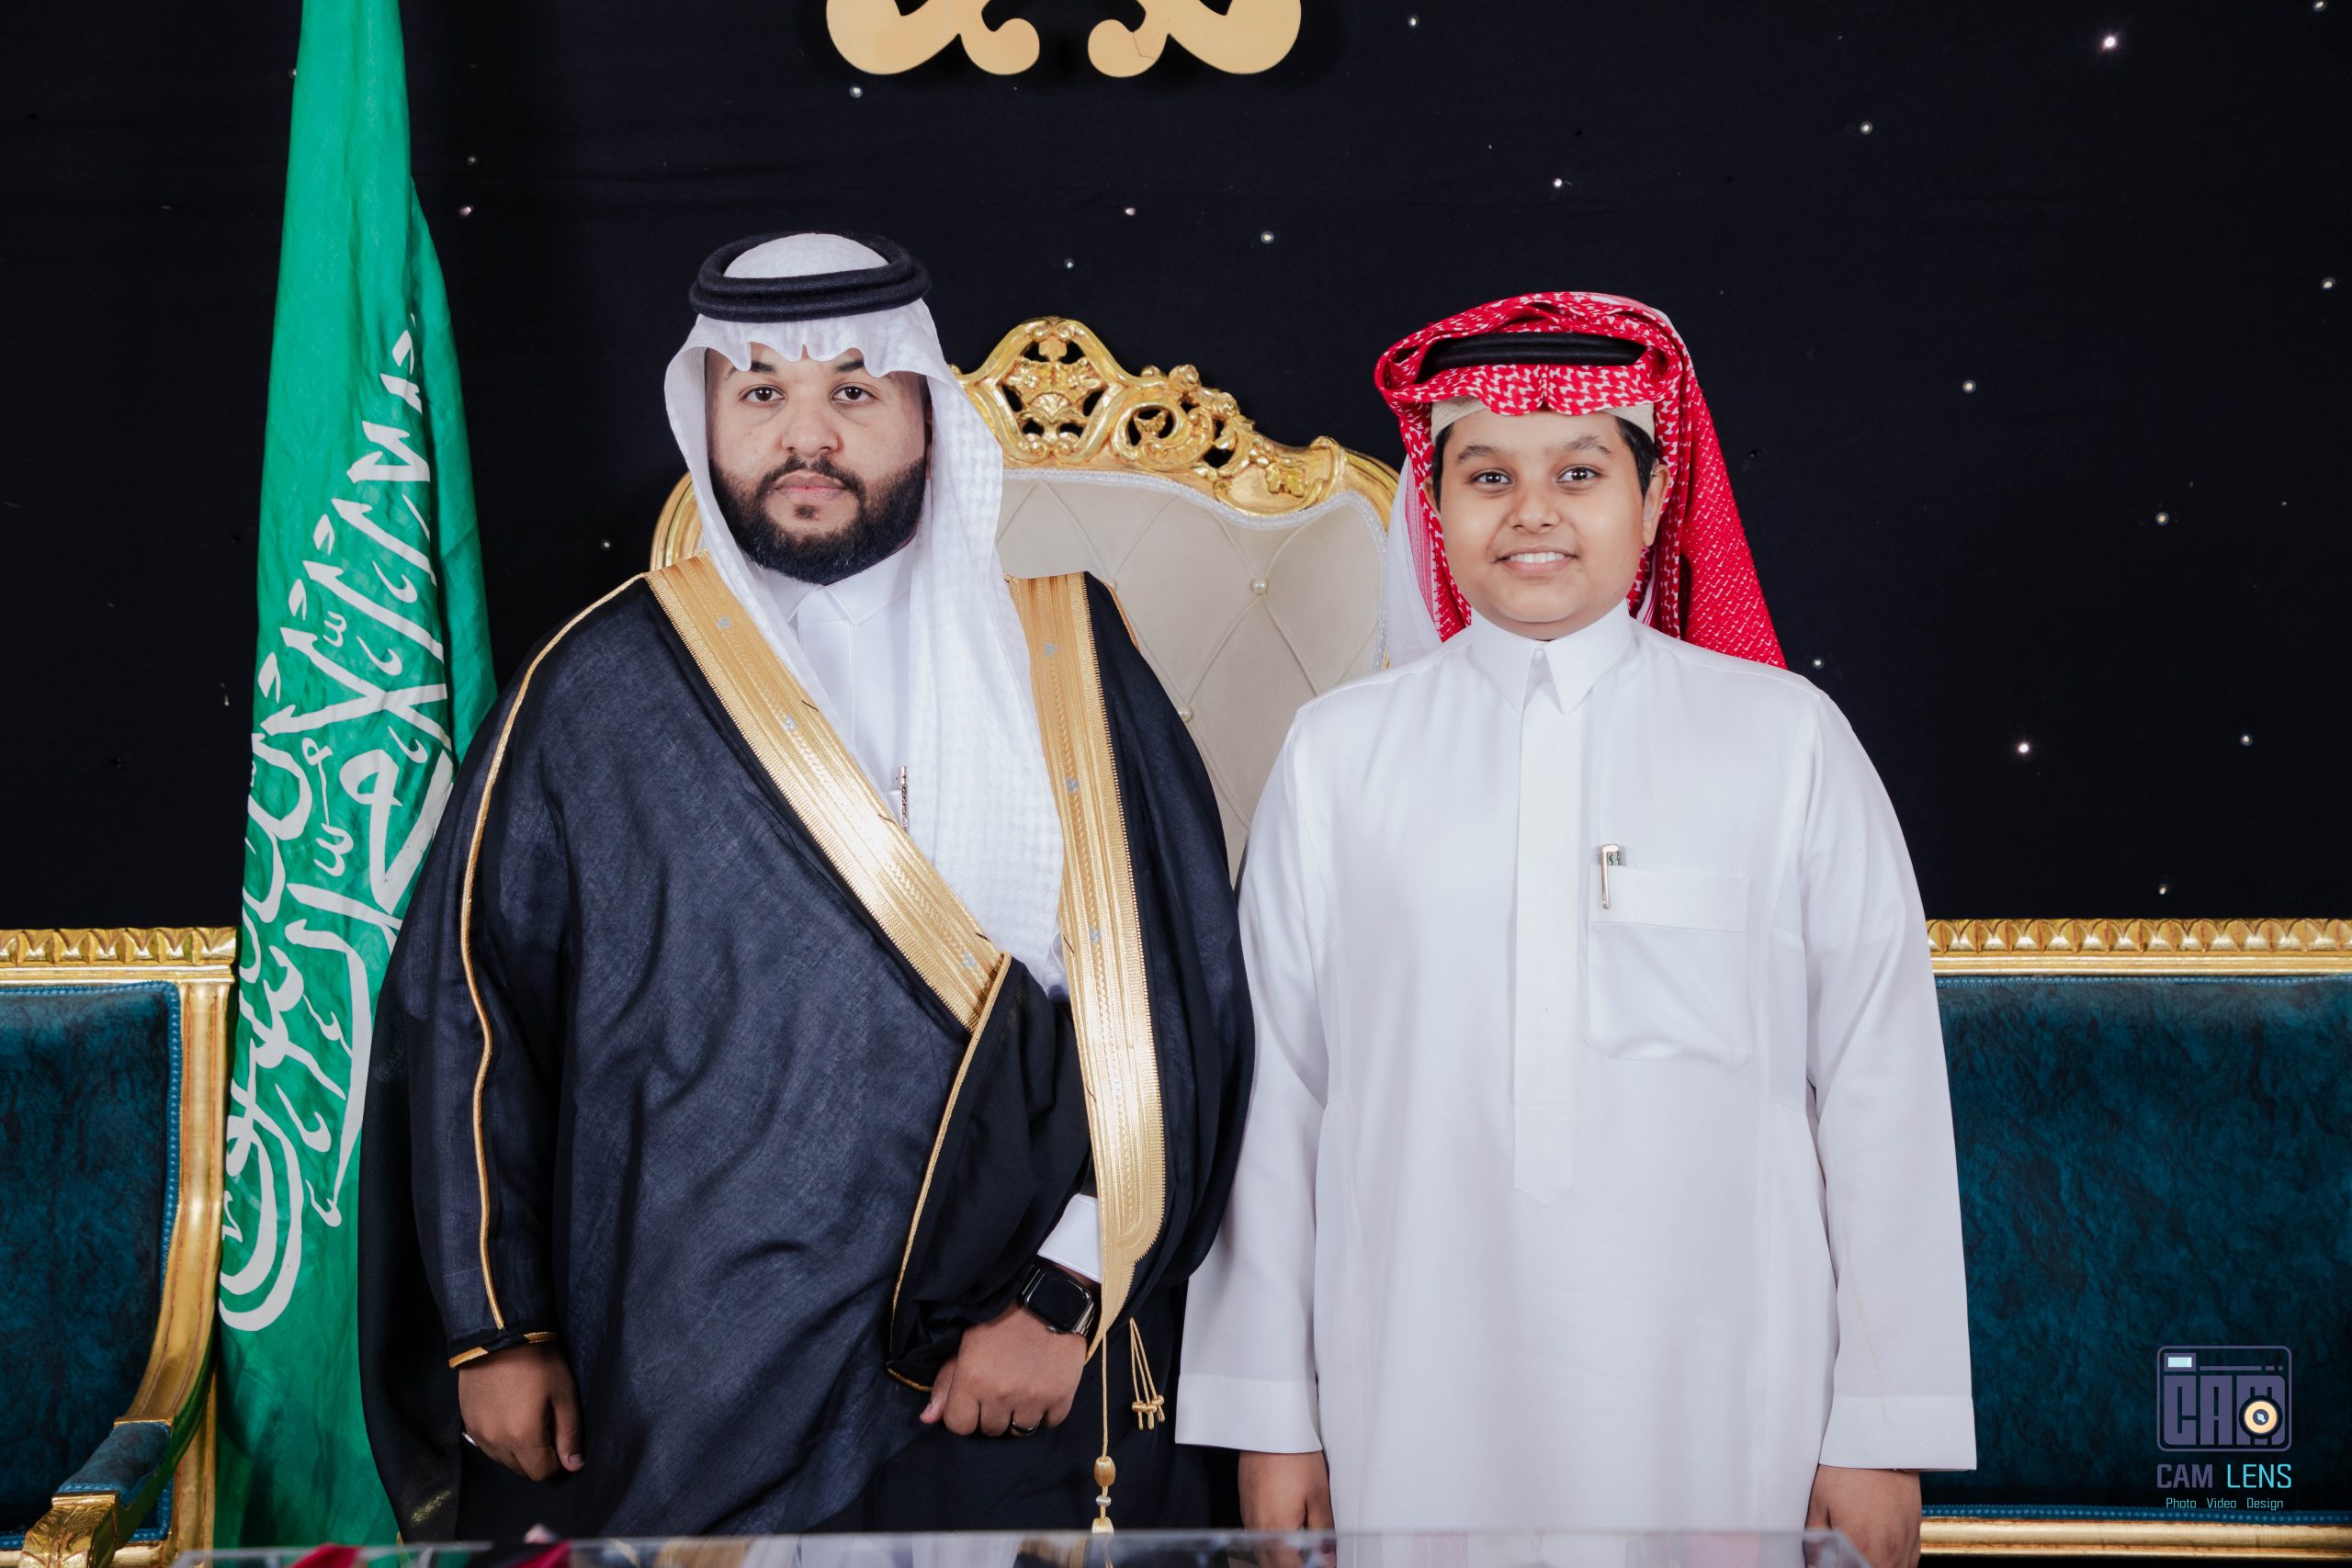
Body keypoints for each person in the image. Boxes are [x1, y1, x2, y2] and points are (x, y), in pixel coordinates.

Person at [359, 231, 1251, 1539]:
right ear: (707, 417)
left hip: (1012, 1367)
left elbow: (1181, 1007)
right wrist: (499, 1330)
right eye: (763, 392)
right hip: (688, 1368)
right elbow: (473, 1011)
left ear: (927, 416)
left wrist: (1064, 1296)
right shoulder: (597, 689)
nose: (807, 435)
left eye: (854, 389)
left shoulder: (1068, 654)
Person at [1175, 292, 1974, 1568]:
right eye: (1488, 475)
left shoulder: (1785, 743)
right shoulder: (1340, 756)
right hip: (1409, 1381)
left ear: (1653, 503)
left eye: (1581, 472)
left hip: (1728, 1390)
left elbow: (1882, 1096)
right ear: (1437, 509)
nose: (1532, 512)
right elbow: (1277, 1109)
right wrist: (1271, 1421)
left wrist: (1882, 1428)